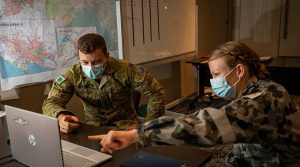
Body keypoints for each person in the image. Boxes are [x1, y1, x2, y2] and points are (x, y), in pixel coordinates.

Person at [89, 41, 300, 166]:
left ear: (240, 70)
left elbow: (207, 125)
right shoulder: (257, 93)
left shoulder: (264, 100)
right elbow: (243, 146)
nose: (213, 81)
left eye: (217, 74)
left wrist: (137, 134)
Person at [42, 33, 165, 133]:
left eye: (96, 62)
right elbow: (51, 102)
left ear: (106, 56)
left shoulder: (126, 70)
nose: (90, 67)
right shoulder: (73, 75)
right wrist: (61, 117)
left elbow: (156, 92)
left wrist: (149, 127)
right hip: (94, 129)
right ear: (79, 59)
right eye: (85, 62)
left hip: (127, 127)